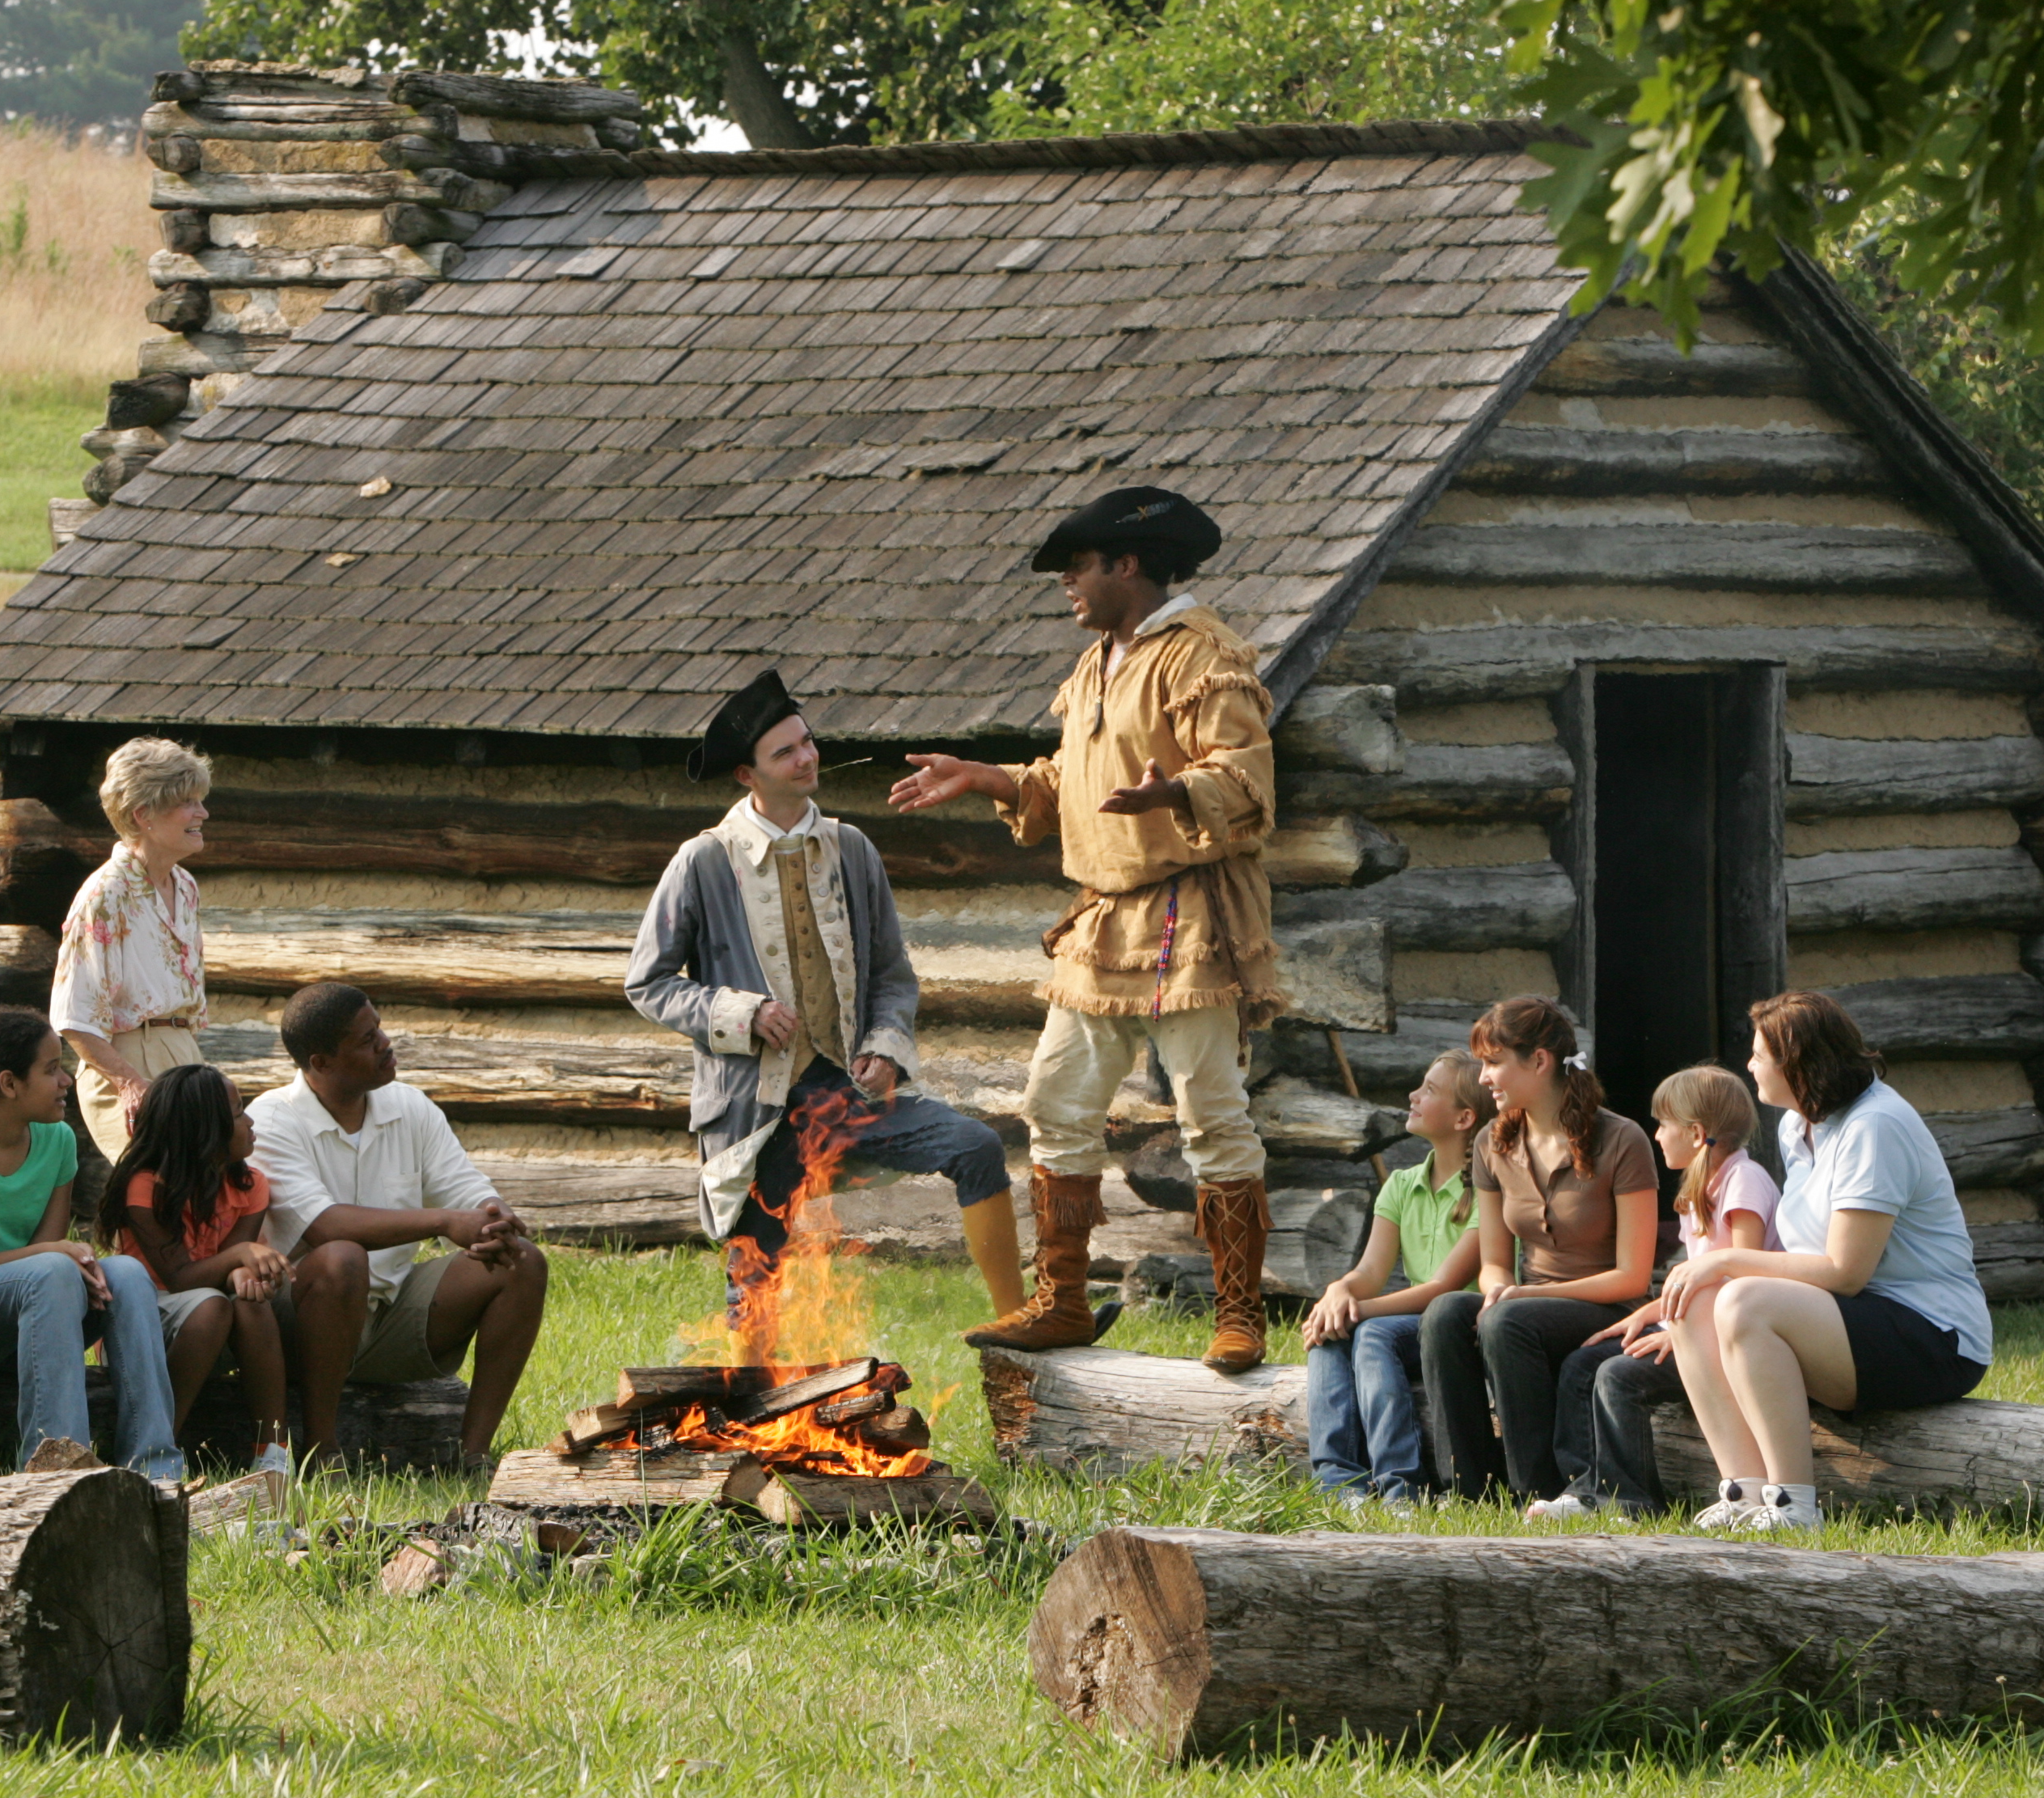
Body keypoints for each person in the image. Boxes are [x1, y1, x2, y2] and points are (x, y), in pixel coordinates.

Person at [889, 486, 1286, 1373]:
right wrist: (986, 776)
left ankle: (1239, 1314)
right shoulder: (1100, 662)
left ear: (1128, 565)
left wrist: (1176, 790)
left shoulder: (1201, 656)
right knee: (1056, 1104)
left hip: (1187, 915)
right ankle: (1062, 1298)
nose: (1067, 582)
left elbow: (1248, 780)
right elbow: (1068, 781)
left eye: (1078, 566)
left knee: (1211, 1116)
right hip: (1103, 920)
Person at [624, 668, 1023, 1347]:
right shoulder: (703, 861)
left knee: (977, 1146)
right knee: (756, 1266)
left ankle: (1021, 1322)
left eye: (807, 742)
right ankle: (751, 1403)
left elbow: (893, 976)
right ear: (747, 776)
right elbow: (648, 983)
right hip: (757, 1110)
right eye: (785, 752)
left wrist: (885, 1047)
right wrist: (739, 1013)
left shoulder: (852, 850)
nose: (807, 758)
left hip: (847, 1095)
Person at [1664, 990, 1992, 1534]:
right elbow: (1807, 1260)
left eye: (1759, 1056)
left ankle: (1794, 1508)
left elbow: (1845, 1271)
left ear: (1797, 1064)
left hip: (1935, 1336)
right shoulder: (1800, 1126)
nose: (1748, 1066)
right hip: (1851, 1323)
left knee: (1740, 1295)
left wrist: (1725, 1264)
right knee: (1691, 1301)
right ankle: (1743, 1493)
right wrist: (1711, 1278)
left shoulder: (1875, 1127)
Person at [248, 983, 549, 1466]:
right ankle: (322, 1453)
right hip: (302, 1325)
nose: (385, 1043)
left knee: (523, 1264)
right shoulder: (271, 1119)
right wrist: (445, 1220)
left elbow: (464, 1186)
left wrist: (494, 1216)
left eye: (380, 1028)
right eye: (366, 1040)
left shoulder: (409, 1106)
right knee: (341, 1258)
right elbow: (324, 1225)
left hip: (392, 1316)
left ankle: (474, 1456)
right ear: (321, 1062)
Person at [0, 1010, 184, 1480]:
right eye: (51, 1069)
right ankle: (57, 1468)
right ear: (9, 1083)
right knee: (52, 1270)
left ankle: (155, 1467)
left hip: (41, 1302)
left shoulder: (57, 1139)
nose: (66, 1080)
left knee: (126, 1272)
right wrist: (51, 1257)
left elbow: (48, 1246)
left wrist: (68, 1259)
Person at [1419, 996, 1659, 1504]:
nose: (1484, 1077)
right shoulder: (1491, 1143)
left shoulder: (1622, 1140)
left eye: (1494, 1061)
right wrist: (1500, 1289)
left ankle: (1540, 1490)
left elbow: (1634, 1278)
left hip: (1608, 1305)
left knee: (1508, 1322)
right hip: (1529, 1304)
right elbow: (1492, 1263)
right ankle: (1468, 1489)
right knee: (1444, 1313)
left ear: (1540, 1061)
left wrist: (1519, 1298)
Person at [1528, 1064, 1777, 1521]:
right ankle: (1587, 1490)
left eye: (1664, 1124)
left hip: (1725, 1342)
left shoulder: (1744, 1181)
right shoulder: (1701, 1188)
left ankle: (1631, 1500)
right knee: (1584, 1362)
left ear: (1697, 1133)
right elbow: (1695, 1276)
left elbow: (1745, 1277)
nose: (1657, 1135)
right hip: (1694, 1327)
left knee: (1618, 1376)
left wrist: (1676, 1335)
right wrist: (1647, 1314)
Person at [1299, 1049, 1493, 1508]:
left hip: (1461, 1327)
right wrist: (1338, 1293)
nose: (1413, 1095)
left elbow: (1445, 1288)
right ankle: (1337, 1483)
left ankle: (1400, 1487)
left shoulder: (1488, 1190)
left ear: (1464, 1117)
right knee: (1330, 1334)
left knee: (1371, 1334)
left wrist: (1360, 1310)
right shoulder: (1402, 1184)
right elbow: (1370, 1272)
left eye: (1429, 1090)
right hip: (1412, 1324)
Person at [99, 1063, 293, 1476]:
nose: (250, 1121)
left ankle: (275, 1452)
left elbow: (228, 1263)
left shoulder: (250, 1185)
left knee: (250, 1304)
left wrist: (242, 1273)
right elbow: (179, 1278)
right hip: (146, 1316)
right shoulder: (144, 1186)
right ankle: (155, 1449)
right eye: (239, 1113)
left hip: (209, 1304)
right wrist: (239, 1257)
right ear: (204, 1130)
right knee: (210, 1306)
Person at [53, 738, 213, 1159]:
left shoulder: (185, 886)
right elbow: (74, 1016)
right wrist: (129, 1083)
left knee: (201, 1198)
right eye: (188, 803)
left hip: (184, 1055)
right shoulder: (106, 894)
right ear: (144, 815)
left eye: (200, 801)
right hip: (128, 1061)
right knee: (157, 1195)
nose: (203, 814)